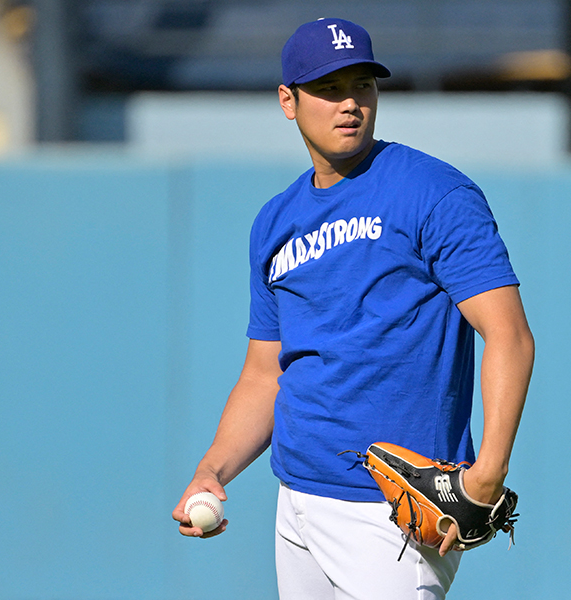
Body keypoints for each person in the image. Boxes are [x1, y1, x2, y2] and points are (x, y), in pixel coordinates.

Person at [172, 17, 534, 600]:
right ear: (288, 101)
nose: (350, 104)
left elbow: (509, 337)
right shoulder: (275, 221)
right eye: (329, 89)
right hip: (297, 504)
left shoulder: (435, 193)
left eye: (362, 85)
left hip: (390, 514)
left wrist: (488, 473)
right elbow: (267, 373)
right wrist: (213, 469)